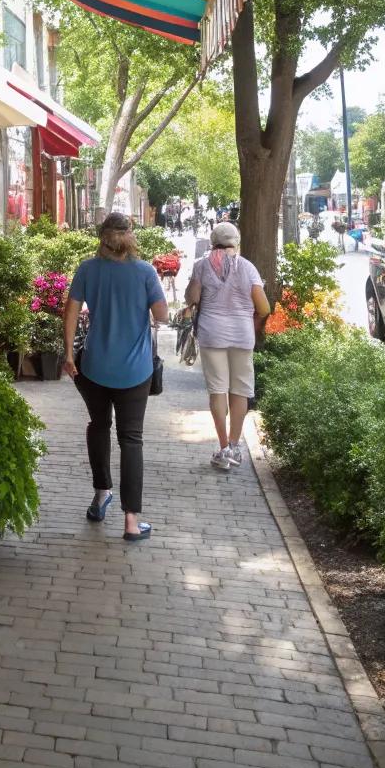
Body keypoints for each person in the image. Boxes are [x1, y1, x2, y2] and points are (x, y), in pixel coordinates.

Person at [63, 212, 169, 542]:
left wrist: (68, 354)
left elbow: (69, 311)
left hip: (94, 367)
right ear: (130, 235)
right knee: (131, 439)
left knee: (98, 426)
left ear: (102, 237)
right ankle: (132, 522)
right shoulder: (145, 271)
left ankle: (100, 494)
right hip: (135, 370)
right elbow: (162, 315)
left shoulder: (88, 269)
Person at [184, 222, 270, 471]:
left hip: (212, 334)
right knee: (240, 390)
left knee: (217, 390)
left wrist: (193, 286)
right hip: (242, 334)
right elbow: (264, 308)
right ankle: (235, 445)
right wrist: (250, 324)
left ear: (213, 242)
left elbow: (193, 298)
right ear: (236, 242)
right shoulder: (247, 267)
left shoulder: (202, 265)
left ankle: (223, 449)